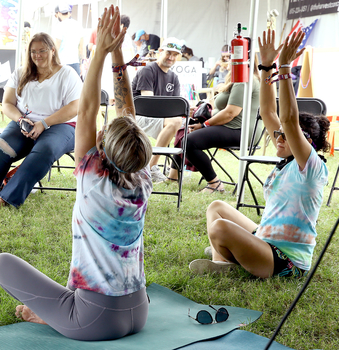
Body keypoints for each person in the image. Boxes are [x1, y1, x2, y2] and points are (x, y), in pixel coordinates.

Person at [0, 6, 150, 340]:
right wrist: (116, 51)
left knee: (2, 263)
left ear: (104, 145)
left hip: (96, 320)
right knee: (66, 293)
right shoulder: (142, 177)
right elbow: (127, 113)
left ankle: (56, 315)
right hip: (139, 309)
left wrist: (102, 53)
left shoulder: (92, 176)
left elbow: (87, 108)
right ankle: (57, 311)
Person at [189, 30, 330, 278]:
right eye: (280, 133)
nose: (279, 136)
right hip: (266, 239)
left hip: (285, 260)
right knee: (217, 207)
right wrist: (266, 67)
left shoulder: (312, 166)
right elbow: (268, 112)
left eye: (287, 134)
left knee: (220, 228)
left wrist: (284, 66)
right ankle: (223, 258)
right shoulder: (287, 161)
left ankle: (224, 258)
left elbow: (286, 118)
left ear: (305, 142)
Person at [0, 32, 82, 208]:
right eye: (33, 51)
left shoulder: (67, 73)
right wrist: (20, 119)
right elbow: (7, 103)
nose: (37, 55)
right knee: (0, 147)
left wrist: (44, 123)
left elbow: (75, 107)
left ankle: (5, 200)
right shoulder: (21, 72)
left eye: (42, 50)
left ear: (52, 50)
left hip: (61, 125)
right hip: (25, 124)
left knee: (44, 151)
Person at [167, 60, 261, 193]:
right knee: (186, 131)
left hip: (240, 131)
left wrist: (204, 125)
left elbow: (230, 113)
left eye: (230, 56)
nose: (226, 59)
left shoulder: (243, 80)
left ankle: (214, 184)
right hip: (231, 127)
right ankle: (173, 177)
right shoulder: (238, 79)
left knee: (190, 141)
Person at [131, 37, 183, 183]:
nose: (171, 57)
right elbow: (148, 104)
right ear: (160, 51)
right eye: (168, 53)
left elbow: (175, 106)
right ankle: (152, 166)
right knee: (175, 122)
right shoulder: (147, 71)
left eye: (175, 54)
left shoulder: (174, 77)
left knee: (187, 128)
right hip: (139, 117)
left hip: (159, 117)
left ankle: (176, 171)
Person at [53, 4, 85, 76]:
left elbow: (56, 46)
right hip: (75, 63)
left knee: (61, 86)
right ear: (68, 13)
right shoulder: (78, 25)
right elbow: (81, 47)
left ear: (59, 13)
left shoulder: (59, 26)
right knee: (74, 86)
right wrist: (81, 64)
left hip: (62, 63)